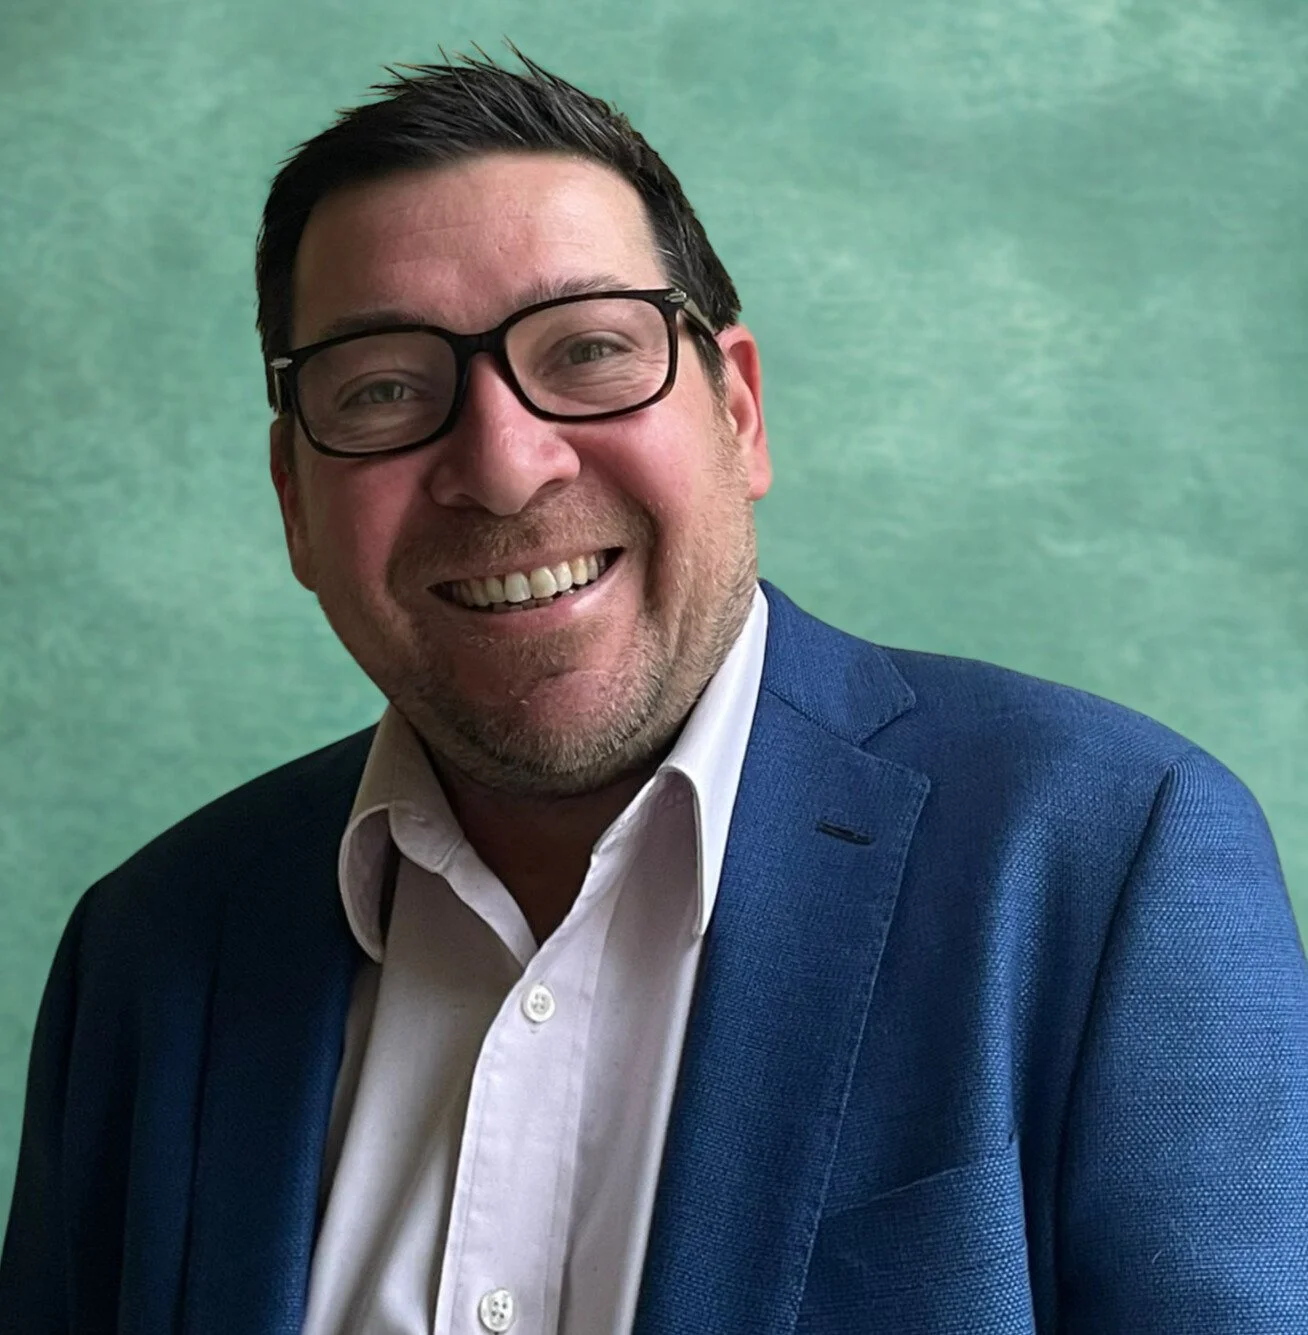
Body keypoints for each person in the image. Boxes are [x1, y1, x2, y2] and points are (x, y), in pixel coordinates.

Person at [2, 45, 1306, 1335]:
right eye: (387, 388)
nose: (504, 468)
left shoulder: (1111, 856)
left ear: (738, 410)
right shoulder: (151, 950)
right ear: (295, 499)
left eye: (587, 352)